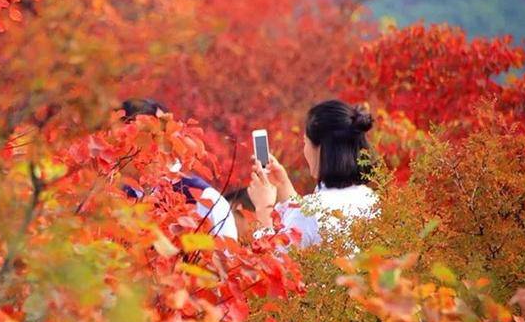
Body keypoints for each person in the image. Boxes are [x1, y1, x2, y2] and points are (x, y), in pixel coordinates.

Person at [247, 99, 378, 248]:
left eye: (305, 142)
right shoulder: (371, 199)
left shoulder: (310, 215)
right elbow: (306, 220)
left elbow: (277, 266)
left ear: (320, 149)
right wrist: (283, 185)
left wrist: (264, 210)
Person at [119, 98, 239, 241]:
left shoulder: (205, 199)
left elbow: (227, 259)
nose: (115, 148)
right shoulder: (115, 194)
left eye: (122, 139)